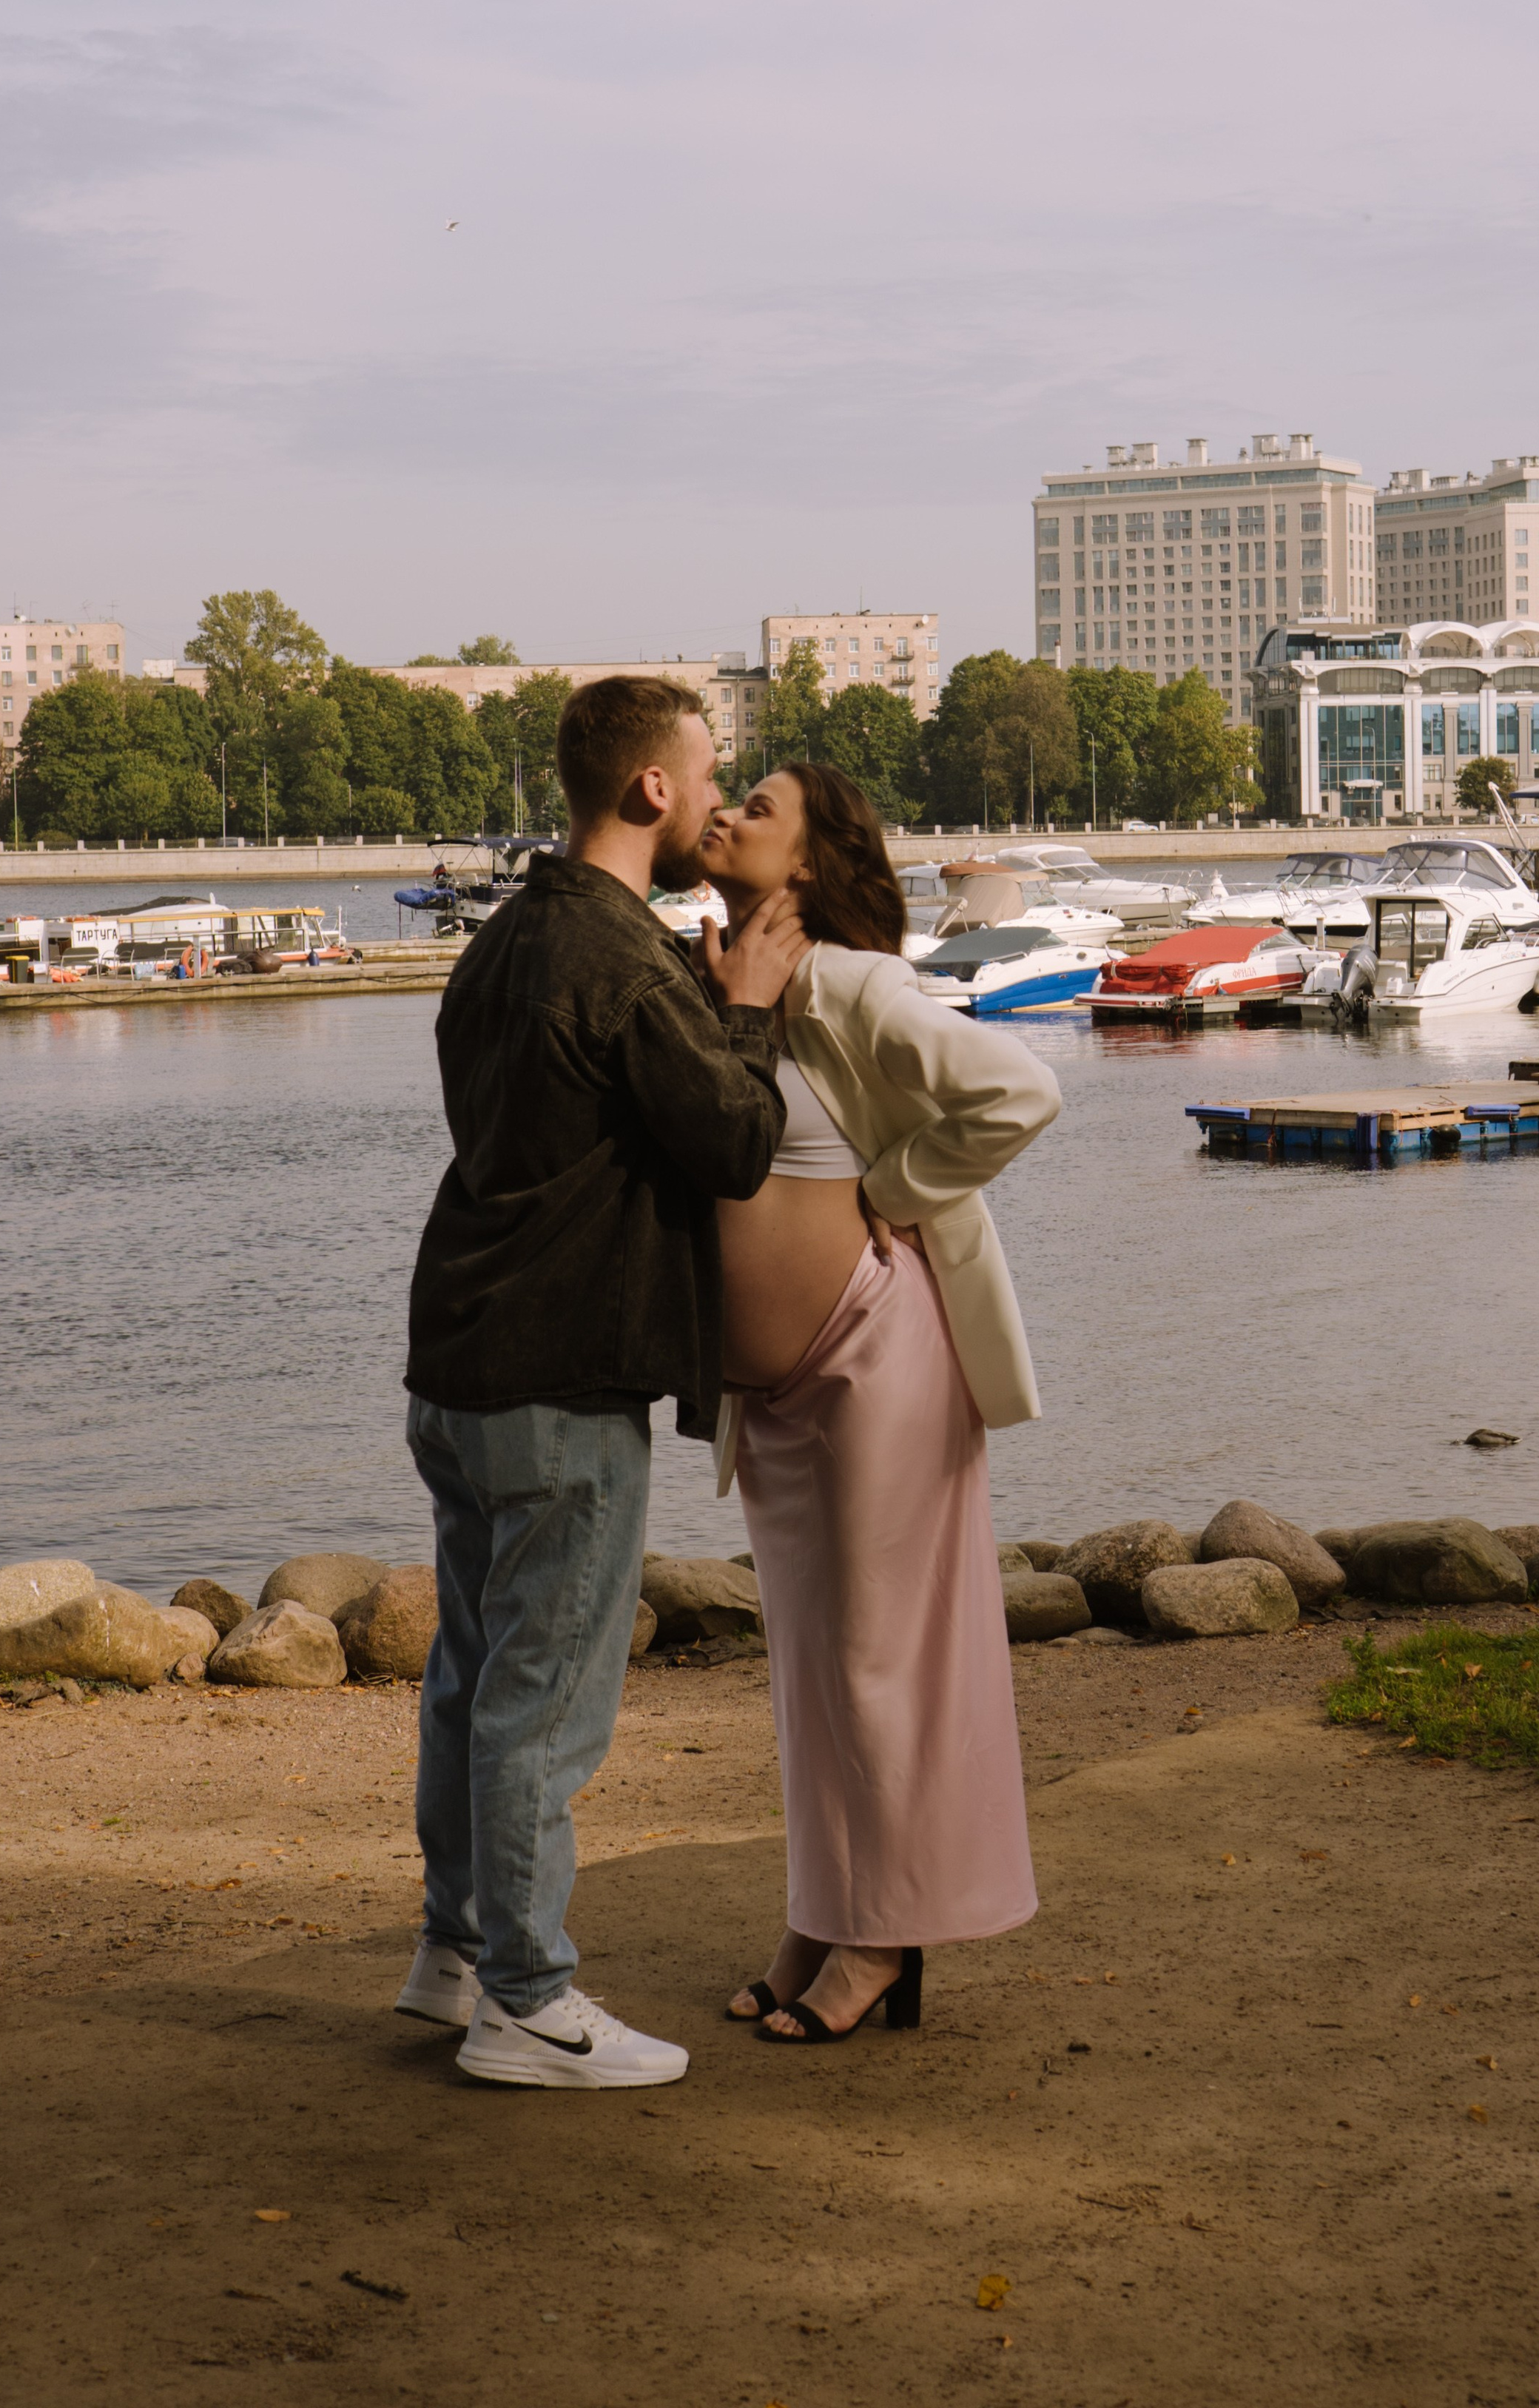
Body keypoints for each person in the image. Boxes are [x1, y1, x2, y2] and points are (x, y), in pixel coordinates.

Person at [398, 676, 804, 2089]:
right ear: (648, 790)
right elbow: (739, 1144)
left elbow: (544, 1122)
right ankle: (525, 1999)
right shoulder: (628, 963)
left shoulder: (507, 938)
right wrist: (745, 1004)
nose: (716, 795)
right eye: (708, 771)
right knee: (543, 1700)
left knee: (471, 1674)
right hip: (560, 1372)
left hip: (457, 1355)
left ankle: (456, 1955)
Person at [699, 764, 1060, 2044]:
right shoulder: (730, 983)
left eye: (759, 804)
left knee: (877, 1659)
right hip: (781, 1394)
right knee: (810, 1663)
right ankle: (824, 1911)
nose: (729, 809)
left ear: (806, 865)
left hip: (876, 1353)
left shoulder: (852, 982)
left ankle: (887, 1938)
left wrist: (892, 1191)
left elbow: (1020, 1090)